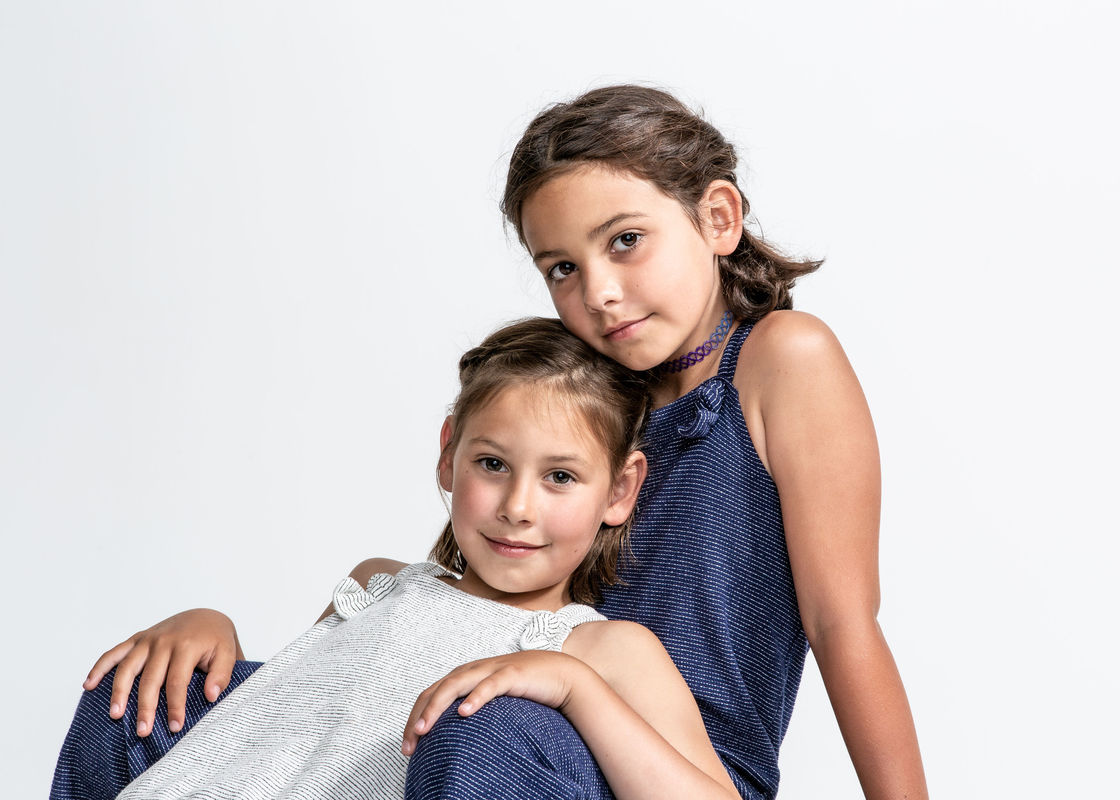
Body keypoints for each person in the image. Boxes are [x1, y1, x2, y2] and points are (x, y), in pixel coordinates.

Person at [54, 85, 928, 800]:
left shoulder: (780, 359)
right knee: (141, 700)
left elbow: (841, 622)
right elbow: (454, 604)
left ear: (719, 218)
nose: (600, 293)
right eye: (563, 269)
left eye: (626, 242)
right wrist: (212, 628)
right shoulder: (589, 385)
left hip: (661, 759)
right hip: (507, 696)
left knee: (485, 723)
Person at [55, 317, 743, 800]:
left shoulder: (605, 648)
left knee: (478, 730)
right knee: (129, 688)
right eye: (492, 464)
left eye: (560, 477)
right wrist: (210, 625)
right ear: (449, 454)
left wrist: (575, 688)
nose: (518, 507)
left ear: (619, 490)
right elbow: (285, 726)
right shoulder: (377, 582)